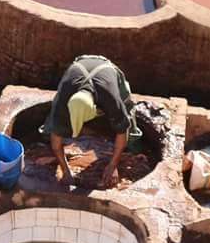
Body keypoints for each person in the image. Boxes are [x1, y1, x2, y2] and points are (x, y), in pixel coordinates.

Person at [44, 55, 140, 188]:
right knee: (53, 123)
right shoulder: (64, 98)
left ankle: (133, 145)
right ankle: (46, 136)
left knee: (127, 118)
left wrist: (113, 165)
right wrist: (66, 171)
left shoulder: (110, 96)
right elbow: (56, 141)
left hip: (105, 69)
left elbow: (122, 129)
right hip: (78, 67)